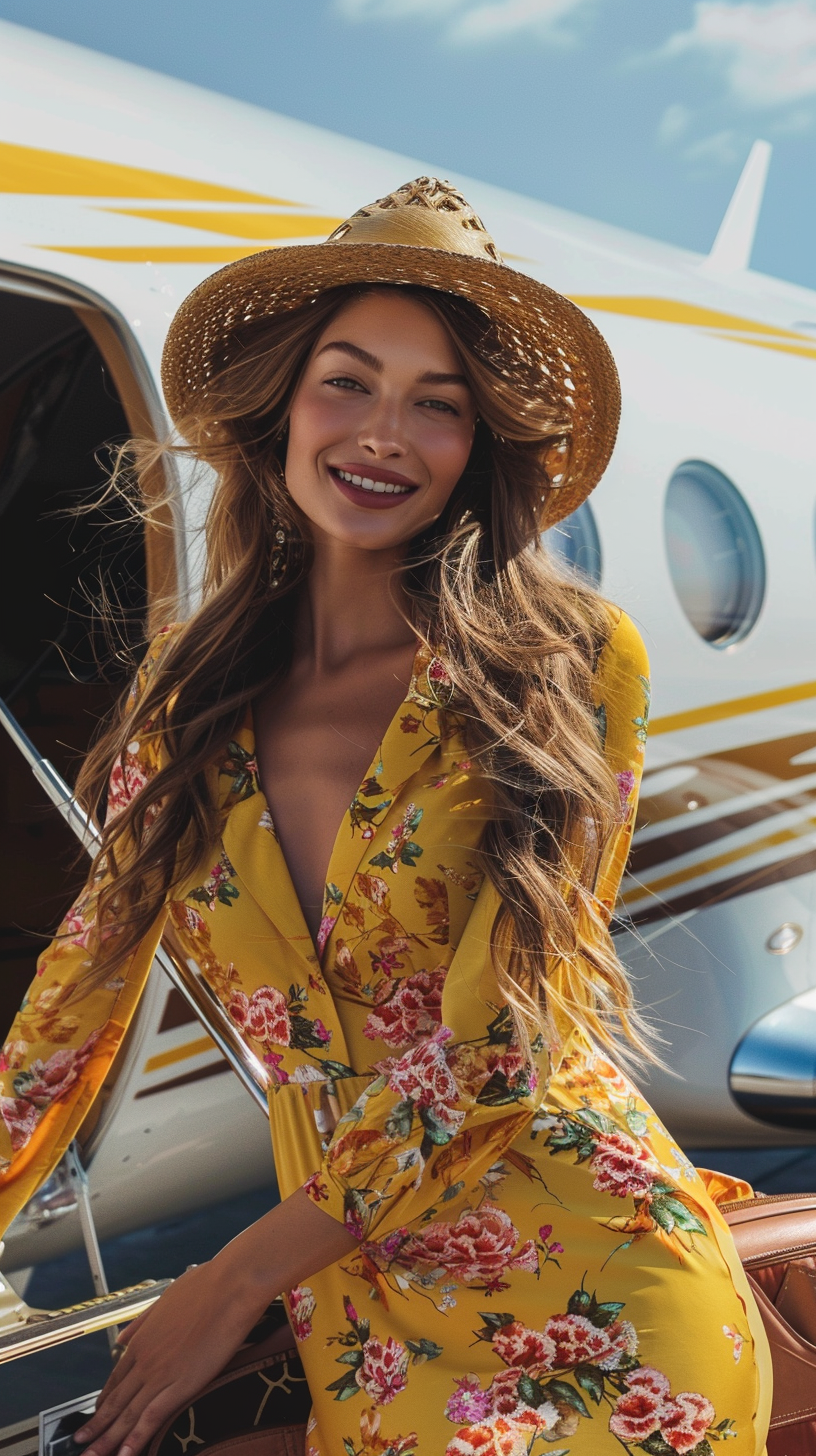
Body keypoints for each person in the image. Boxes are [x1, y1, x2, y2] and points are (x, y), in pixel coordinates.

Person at [0, 178, 770, 1456]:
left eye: (439, 402)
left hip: (599, 1295)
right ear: (280, 407)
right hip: (365, 1311)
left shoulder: (568, 663)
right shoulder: (180, 710)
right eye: (346, 381)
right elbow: (62, 1019)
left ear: (482, 447)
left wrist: (236, 1276)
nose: (384, 434)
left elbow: (497, 1051)